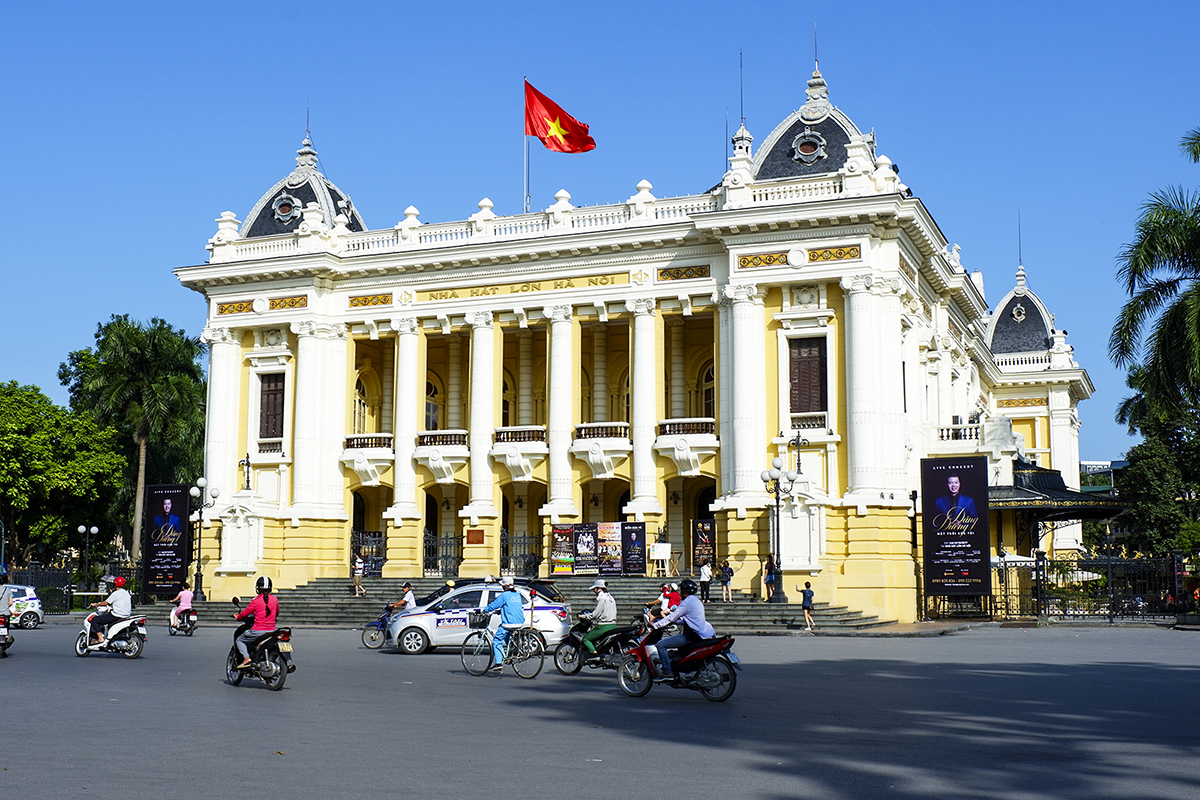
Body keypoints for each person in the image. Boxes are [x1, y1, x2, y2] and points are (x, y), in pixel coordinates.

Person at [651, 578, 715, 676]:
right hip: (701, 634)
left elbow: (671, 617)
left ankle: (667, 672)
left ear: (684, 591)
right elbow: (690, 619)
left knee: (660, 644)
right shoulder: (697, 601)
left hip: (690, 636)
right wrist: (678, 622)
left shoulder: (686, 603)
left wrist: (656, 625)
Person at [232, 576, 278, 669]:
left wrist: (238, 617)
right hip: (272, 630)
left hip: (257, 631)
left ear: (258, 588)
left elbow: (245, 613)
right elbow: (277, 612)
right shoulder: (274, 599)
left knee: (239, 640)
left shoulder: (256, 600)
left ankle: (246, 658)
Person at [481, 576, 525, 672]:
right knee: (504, 631)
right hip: (520, 622)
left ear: (505, 586)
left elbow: (494, 605)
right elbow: (511, 607)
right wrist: (500, 611)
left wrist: (484, 610)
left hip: (509, 623)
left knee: (496, 640)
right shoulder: (517, 594)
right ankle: (510, 652)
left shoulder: (504, 595)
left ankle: (498, 663)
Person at [89, 576, 132, 644]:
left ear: (115, 584)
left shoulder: (116, 593)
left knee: (95, 620)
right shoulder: (126, 593)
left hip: (117, 615)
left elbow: (105, 603)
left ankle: (100, 638)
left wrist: (95, 605)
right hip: (126, 615)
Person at [580, 579, 617, 654]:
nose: (594, 591)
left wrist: (583, 616)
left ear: (598, 589)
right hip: (613, 625)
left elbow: (595, 614)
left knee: (586, 639)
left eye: (595, 589)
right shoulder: (611, 598)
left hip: (603, 626)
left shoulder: (602, 598)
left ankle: (594, 655)